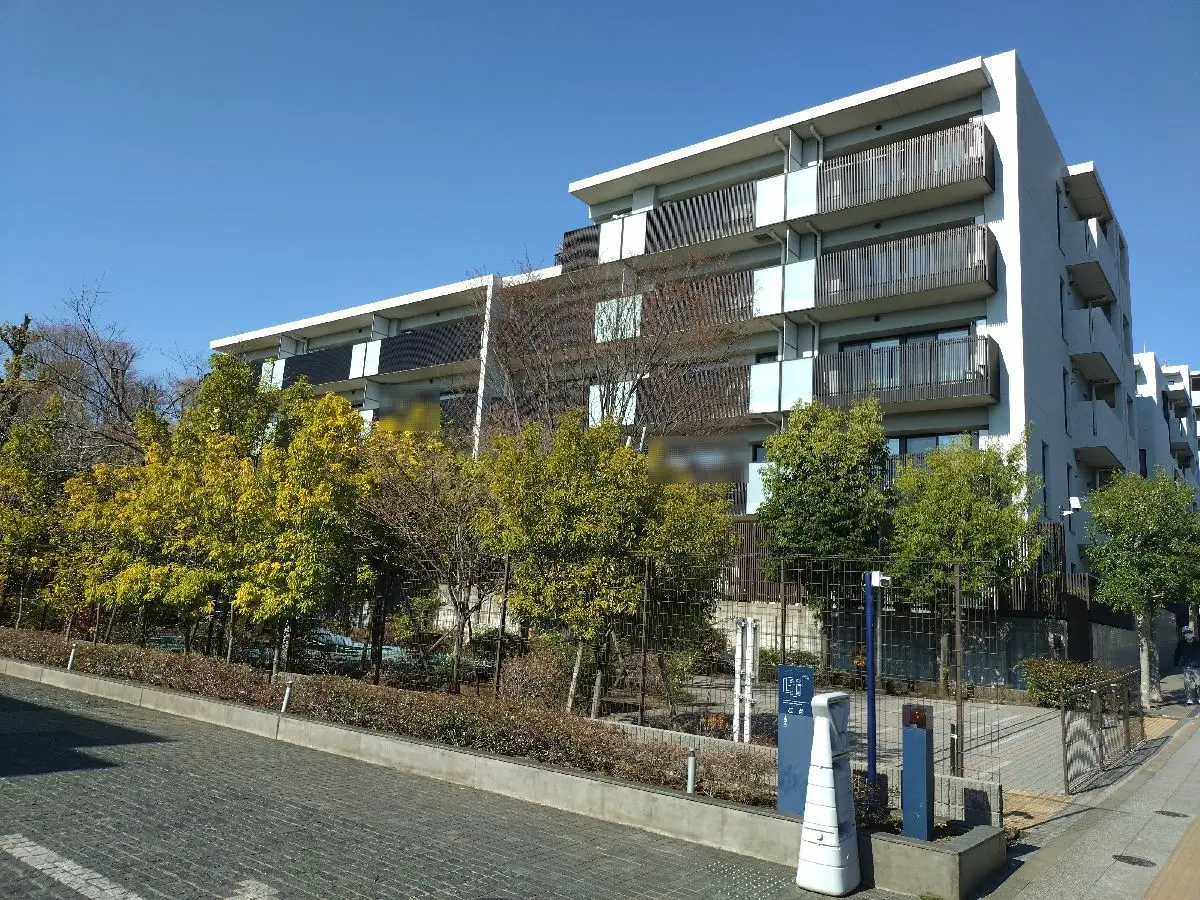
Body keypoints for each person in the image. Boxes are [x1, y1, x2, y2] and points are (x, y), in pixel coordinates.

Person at [1173, 625, 1200, 705]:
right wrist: (1176, 662)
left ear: (1192, 634)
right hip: (1186, 666)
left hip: (1197, 666)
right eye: (1186, 633)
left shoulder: (1198, 643)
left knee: (1198, 683)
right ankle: (1190, 698)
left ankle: (1199, 697)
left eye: (1189, 633)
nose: (1188, 635)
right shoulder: (1181, 644)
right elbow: (1177, 654)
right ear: (1184, 635)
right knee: (1188, 683)